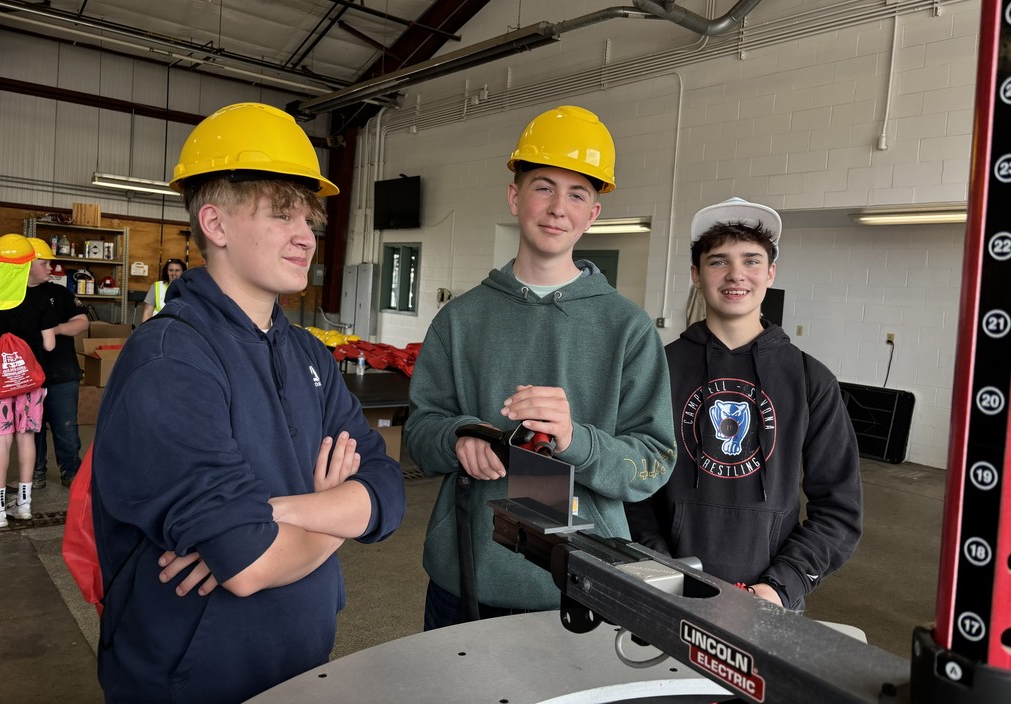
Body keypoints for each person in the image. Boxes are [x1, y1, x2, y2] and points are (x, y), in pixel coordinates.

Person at [90, 102, 406, 703]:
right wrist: (330, 512)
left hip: (300, 660)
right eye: (282, 214)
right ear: (215, 223)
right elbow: (249, 566)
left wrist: (280, 514)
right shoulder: (171, 362)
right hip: (192, 679)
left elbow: (388, 489)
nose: (306, 237)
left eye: (310, 219)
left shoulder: (309, 355)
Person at [405, 105, 676, 630]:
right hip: (465, 578)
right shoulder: (459, 320)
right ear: (514, 196)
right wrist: (456, 439)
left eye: (577, 194)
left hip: (581, 583)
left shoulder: (629, 328)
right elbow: (419, 431)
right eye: (543, 187)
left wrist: (578, 440)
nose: (558, 208)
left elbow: (653, 463)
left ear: (593, 214)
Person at [625, 197, 863, 611]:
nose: (736, 274)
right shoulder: (659, 369)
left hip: (770, 599)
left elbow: (839, 510)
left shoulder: (811, 380)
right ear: (696, 276)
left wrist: (779, 587)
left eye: (751, 261)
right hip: (664, 586)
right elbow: (631, 483)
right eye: (718, 262)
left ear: (771, 273)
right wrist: (658, 568)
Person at [0, 234, 57, 528]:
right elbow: (50, 344)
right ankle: (24, 505)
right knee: (27, 438)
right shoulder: (41, 298)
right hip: (31, 382)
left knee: (1, 442)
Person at [24, 237, 88, 489]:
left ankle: (71, 472)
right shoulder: (12, 294)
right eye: (44, 263)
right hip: (27, 375)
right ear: (27, 265)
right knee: (32, 428)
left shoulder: (59, 292)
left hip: (62, 373)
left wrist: (54, 328)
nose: (51, 268)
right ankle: (35, 474)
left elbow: (82, 322)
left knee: (66, 427)